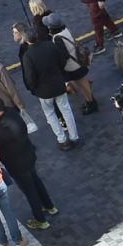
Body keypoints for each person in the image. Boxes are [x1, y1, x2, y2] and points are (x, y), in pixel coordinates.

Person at [0, 97, 56, 228]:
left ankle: (41, 220)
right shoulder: (11, 112)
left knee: (29, 191)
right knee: (36, 181)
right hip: (28, 155)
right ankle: (49, 206)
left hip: (16, 165)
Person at [18, 20, 81, 149]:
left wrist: (34, 88)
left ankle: (62, 139)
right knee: (66, 110)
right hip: (58, 84)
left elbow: (30, 77)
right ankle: (74, 137)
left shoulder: (27, 56)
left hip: (43, 91)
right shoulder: (49, 45)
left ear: (26, 40)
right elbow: (62, 61)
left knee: (50, 114)